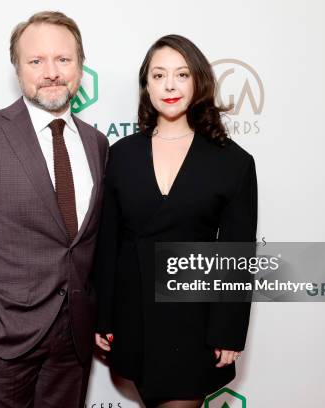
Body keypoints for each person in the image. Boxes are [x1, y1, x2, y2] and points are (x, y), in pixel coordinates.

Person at [0, 11, 108, 408]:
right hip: (3, 338)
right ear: (17, 69)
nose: (51, 72)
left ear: (80, 65)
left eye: (63, 59)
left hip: (74, 340)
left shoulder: (97, 143)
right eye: (36, 61)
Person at [93, 34, 257, 407]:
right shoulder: (121, 155)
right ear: (146, 86)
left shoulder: (232, 162)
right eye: (158, 75)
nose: (169, 85)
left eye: (182, 74)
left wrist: (229, 331)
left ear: (198, 81)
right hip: (133, 317)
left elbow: (237, 254)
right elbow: (108, 243)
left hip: (195, 321)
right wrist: (104, 317)